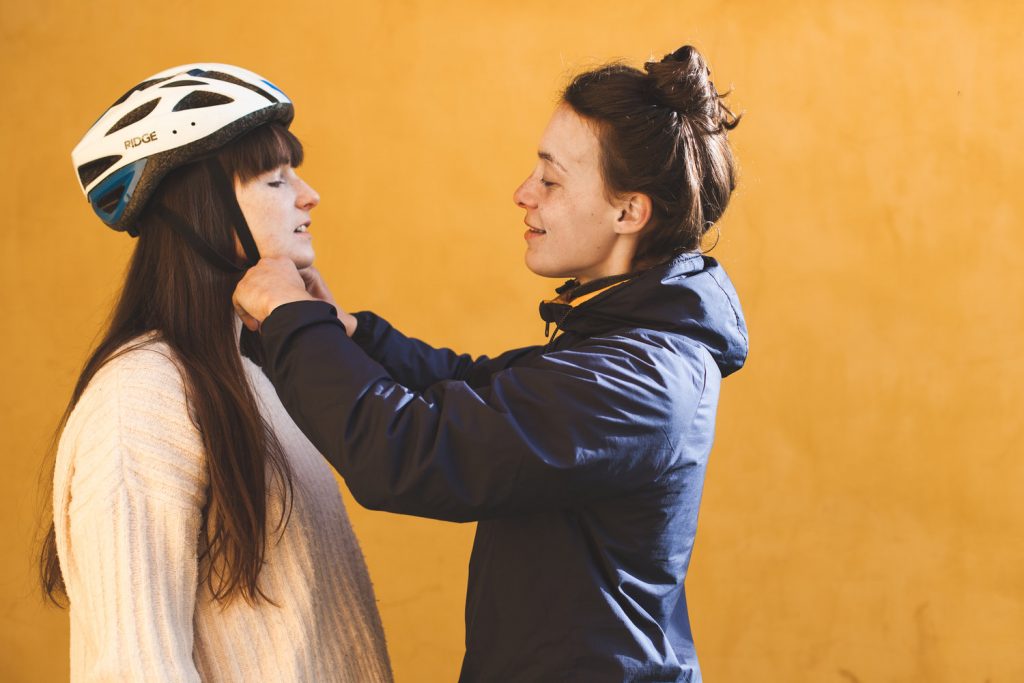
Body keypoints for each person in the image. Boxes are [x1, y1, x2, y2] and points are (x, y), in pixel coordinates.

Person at [234, 45, 747, 682]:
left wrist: (293, 323)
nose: (522, 194)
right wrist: (346, 333)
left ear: (628, 211)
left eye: (552, 180)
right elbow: (475, 384)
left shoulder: (638, 379)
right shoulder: (619, 343)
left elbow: (412, 452)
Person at [39, 64, 392, 682]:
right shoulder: (140, 401)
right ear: (203, 208)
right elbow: (136, 669)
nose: (309, 196)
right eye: (276, 179)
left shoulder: (257, 374)